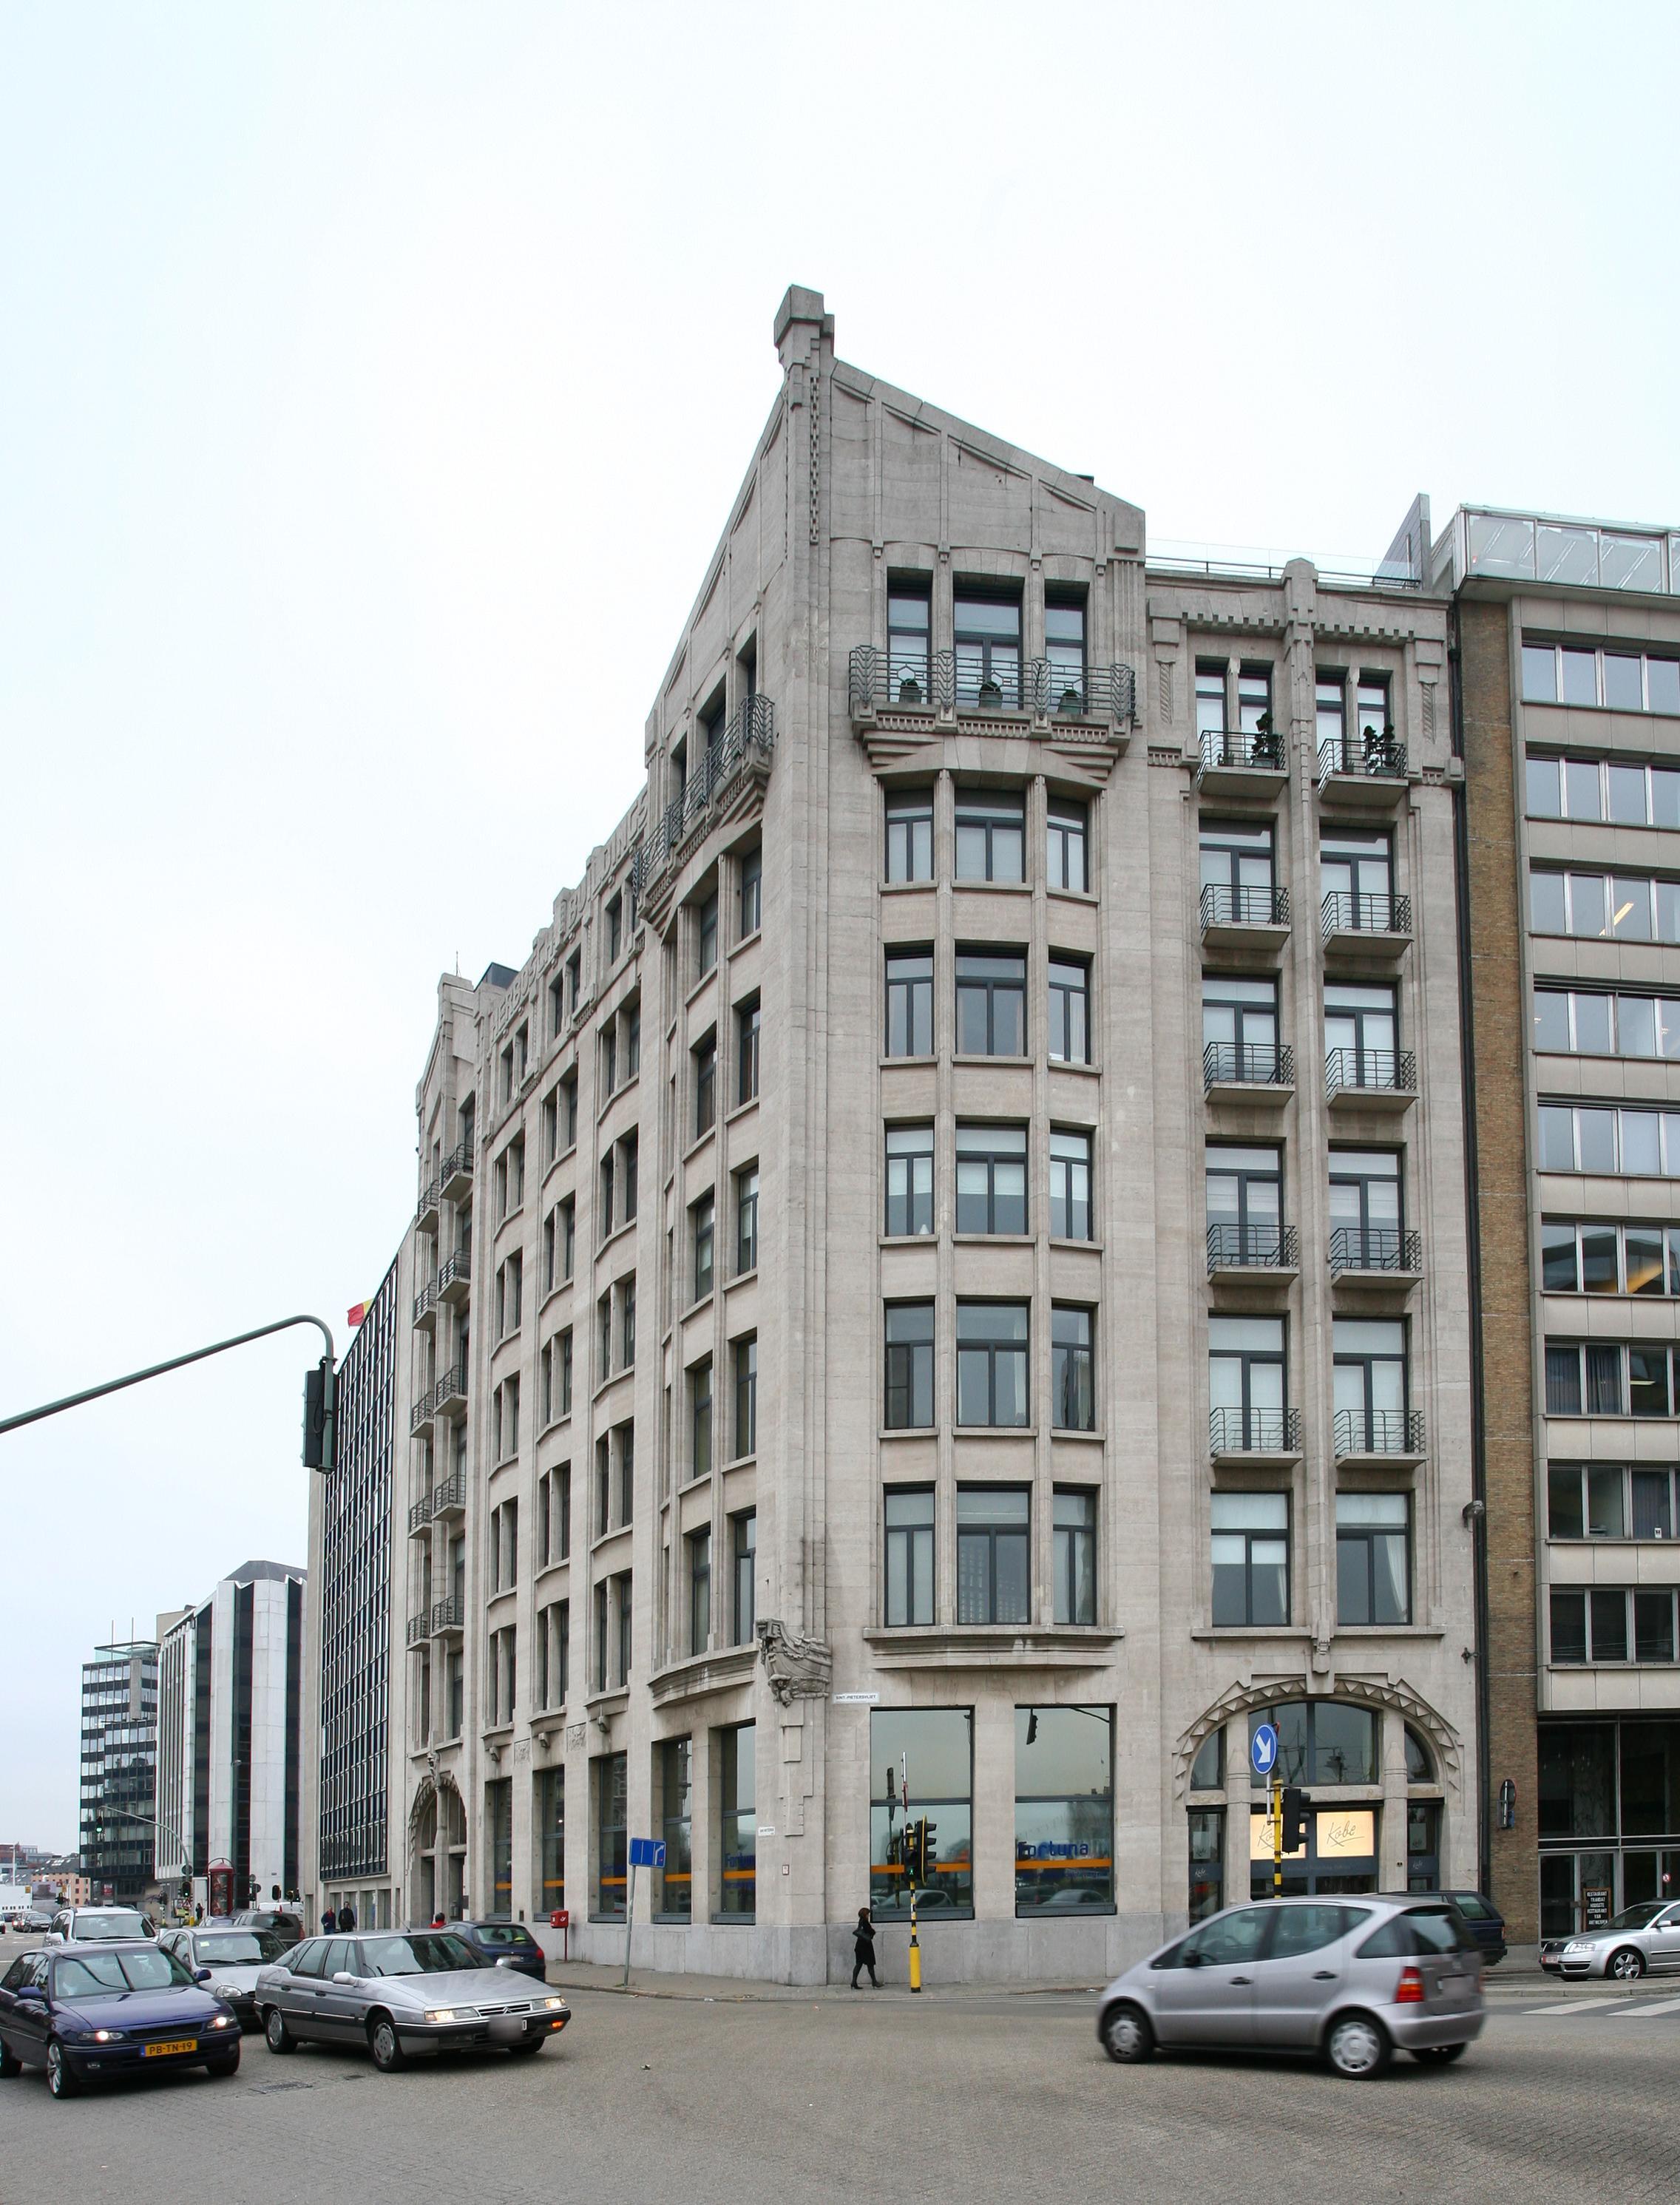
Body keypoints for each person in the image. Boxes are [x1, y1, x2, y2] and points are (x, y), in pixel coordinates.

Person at [851, 1906, 878, 1989]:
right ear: (865, 1915)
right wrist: (873, 1932)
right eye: (868, 1914)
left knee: (859, 1964)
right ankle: (874, 1982)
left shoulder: (860, 1922)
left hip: (859, 1946)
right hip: (866, 1946)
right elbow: (870, 1931)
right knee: (870, 1964)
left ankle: (854, 1982)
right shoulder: (865, 1922)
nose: (868, 1916)